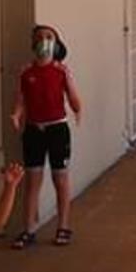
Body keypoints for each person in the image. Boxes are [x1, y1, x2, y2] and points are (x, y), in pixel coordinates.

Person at [10, 25, 82, 249]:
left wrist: (78, 109)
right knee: (32, 181)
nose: (44, 41)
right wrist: (16, 114)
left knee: (60, 179)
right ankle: (29, 229)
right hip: (34, 130)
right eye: (39, 37)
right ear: (33, 43)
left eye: (49, 37)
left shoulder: (62, 71)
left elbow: (72, 95)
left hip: (57, 130)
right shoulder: (26, 72)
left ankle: (63, 226)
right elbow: (21, 100)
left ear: (56, 43)